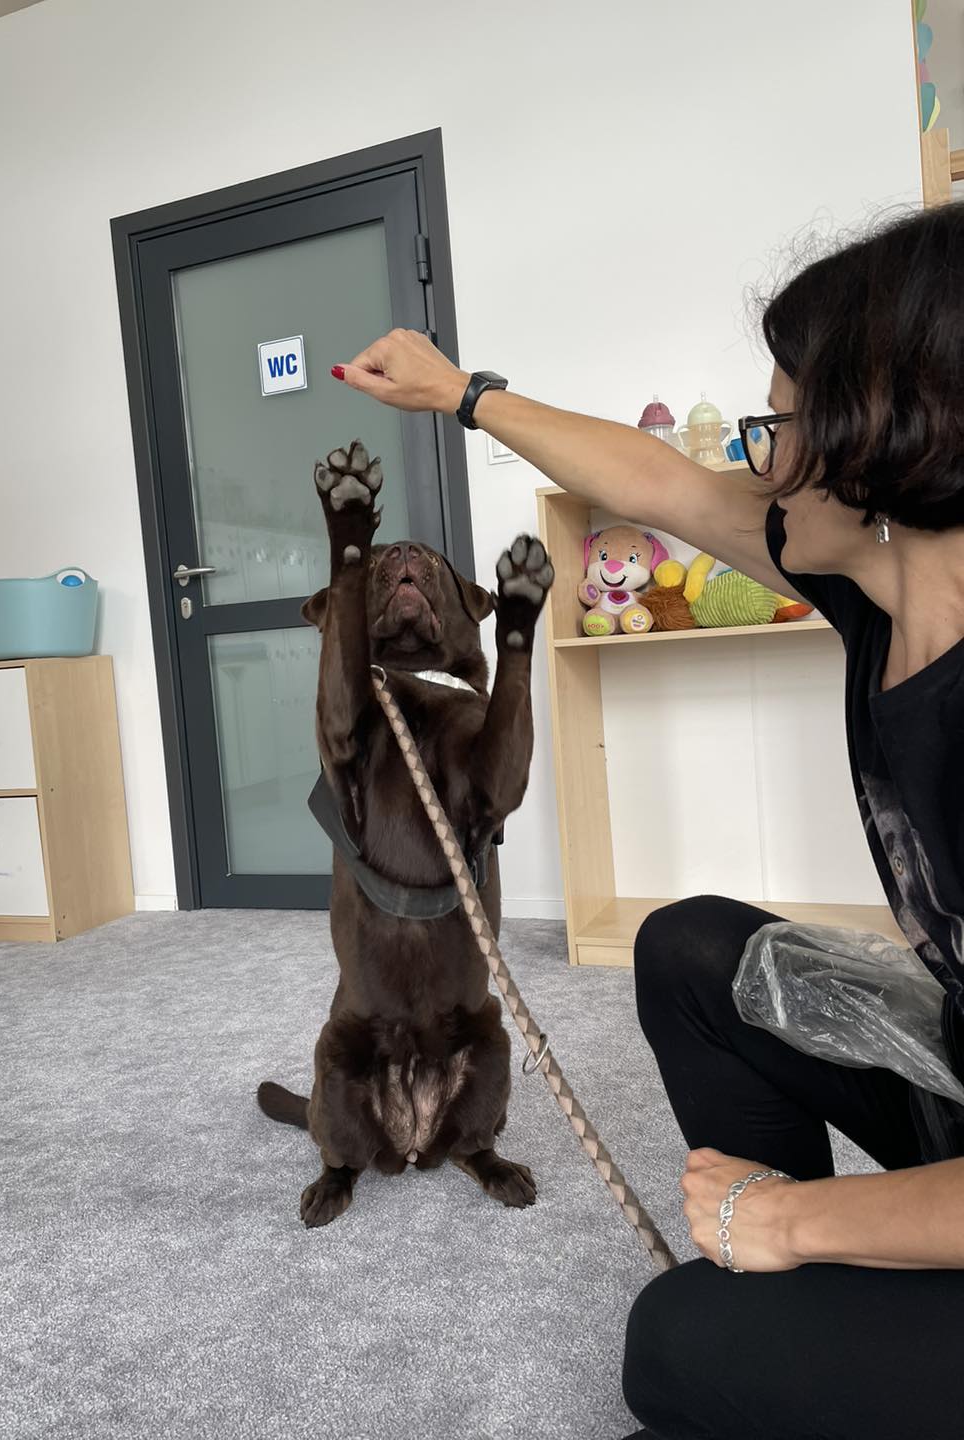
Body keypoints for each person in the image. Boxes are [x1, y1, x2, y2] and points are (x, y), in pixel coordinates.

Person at [330, 202, 964, 1440]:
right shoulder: (879, 586)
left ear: (881, 441)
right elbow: (663, 481)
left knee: (675, 1346)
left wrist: (791, 1219)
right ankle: (810, 1317)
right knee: (689, 951)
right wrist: (463, 394)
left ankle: (793, 1295)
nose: (754, 465)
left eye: (777, 428)